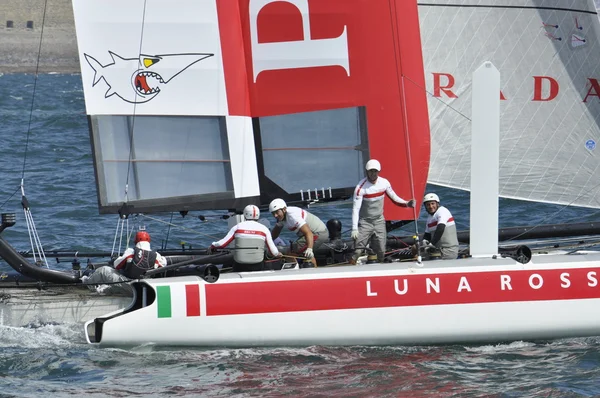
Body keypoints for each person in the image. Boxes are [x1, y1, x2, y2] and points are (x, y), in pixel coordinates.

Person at [351, 159, 416, 263]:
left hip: (379, 221)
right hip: (365, 222)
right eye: (371, 171)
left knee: (381, 251)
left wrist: (407, 203)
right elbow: (356, 208)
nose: (373, 173)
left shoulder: (384, 183)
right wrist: (354, 228)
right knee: (357, 251)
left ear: (379, 171)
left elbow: (394, 198)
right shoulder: (360, 188)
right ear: (367, 171)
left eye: (375, 171)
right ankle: (351, 266)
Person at [208, 204, 282, 272]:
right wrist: (278, 254)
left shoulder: (237, 227)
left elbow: (221, 244)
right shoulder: (264, 229)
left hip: (240, 266)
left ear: (245, 215)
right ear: (258, 215)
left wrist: (212, 246)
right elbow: (274, 252)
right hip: (257, 265)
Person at [269, 198, 328, 267]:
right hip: (313, 233)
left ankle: (304, 273)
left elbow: (308, 233)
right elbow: (275, 233)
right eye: (273, 213)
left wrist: (309, 249)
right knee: (300, 252)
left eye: (277, 212)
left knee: (291, 254)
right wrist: (267, 242)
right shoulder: (281, 217)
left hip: (318, 233)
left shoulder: (292, 216)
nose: (275, 215)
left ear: (284, 209)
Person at [420, 192, 459, 260]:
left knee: (424, 260)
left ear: (437, 204)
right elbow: (427, 235)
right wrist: (424, 242)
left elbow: (440, 228)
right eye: (428, 205)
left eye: (432, 204)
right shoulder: (430, 218)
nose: (431, 206)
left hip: (449, 251)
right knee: (417, 253)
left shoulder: (442, 211)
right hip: (438, 250)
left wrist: (431, 244)